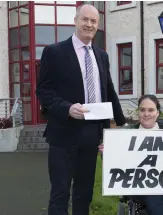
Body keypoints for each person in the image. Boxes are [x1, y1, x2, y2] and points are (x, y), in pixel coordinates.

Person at [35, 4, 126, 215]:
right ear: (75, 21)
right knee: (60, 191)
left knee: (84, 192)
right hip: (63, 133)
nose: (89, 24)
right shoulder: (54, 52)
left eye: (94, 21)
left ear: (98, 25)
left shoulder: (101, 55)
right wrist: (67, 108)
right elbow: (43, 90)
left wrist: (121, 123)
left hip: (91, 134)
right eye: (85, 19)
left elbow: (108, 89)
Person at [99, 94, 163, 215]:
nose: (146, 114)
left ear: (157, 113)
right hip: (143, 184)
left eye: (151, 110)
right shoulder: (125, 134)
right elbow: (113, 161)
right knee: (154, 194)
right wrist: (106, 152)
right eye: (142, 110)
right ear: (138, 112)